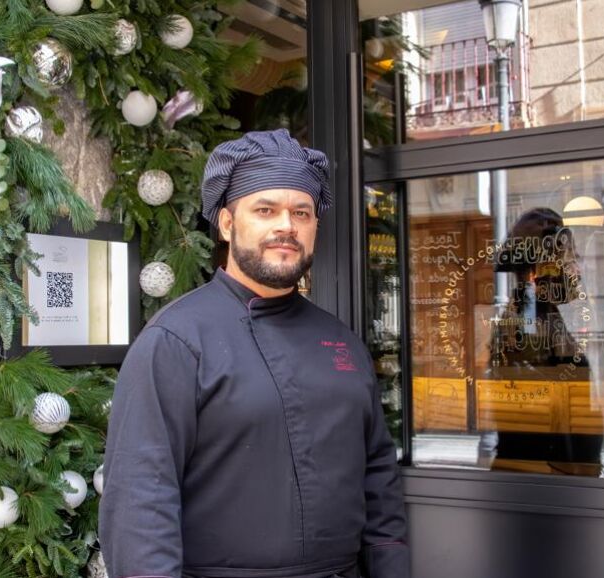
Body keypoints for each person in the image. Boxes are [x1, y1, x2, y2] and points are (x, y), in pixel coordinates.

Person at [99, 129, 410, 578]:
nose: (286, 225)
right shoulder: (176, 340)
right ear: (227, 224)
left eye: (301, 212)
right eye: (265, 210)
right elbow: (139, 501)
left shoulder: (341, 342)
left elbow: (378, 476)